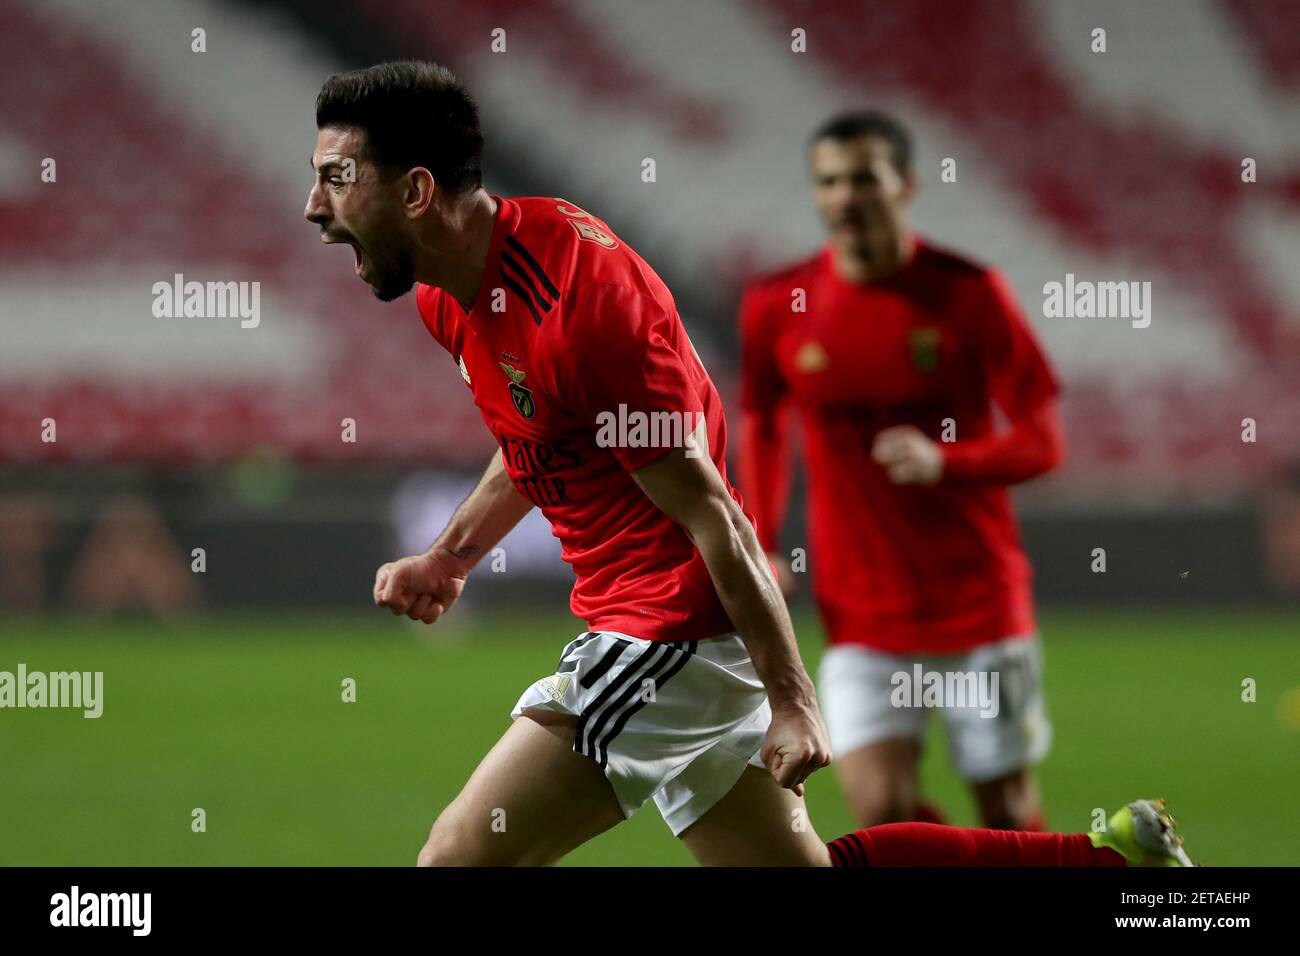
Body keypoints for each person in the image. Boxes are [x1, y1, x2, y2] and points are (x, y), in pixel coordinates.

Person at [304, 61, 1189, 867]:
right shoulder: (452, 296)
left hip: (668, 629)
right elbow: (541, 437)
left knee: (459, 860)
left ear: (417, 190)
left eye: (336, 179)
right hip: (666, 629)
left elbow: (714, 514)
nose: (315, 207)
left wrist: (795, 698)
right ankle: (1112, 860)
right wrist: (453, 554)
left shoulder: (584, 308)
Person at [740, 111, 1063, 831]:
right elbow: (763, 419)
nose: (846, 197)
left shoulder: (969, 293)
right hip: (861, 614)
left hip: (979, 605)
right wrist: (760, 538)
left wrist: (948, 461)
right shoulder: (778, 305)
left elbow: (1044, 440)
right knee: (882, 816)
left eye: (864, 178)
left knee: (1007, 815)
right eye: (828, 181)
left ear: (907, 187)